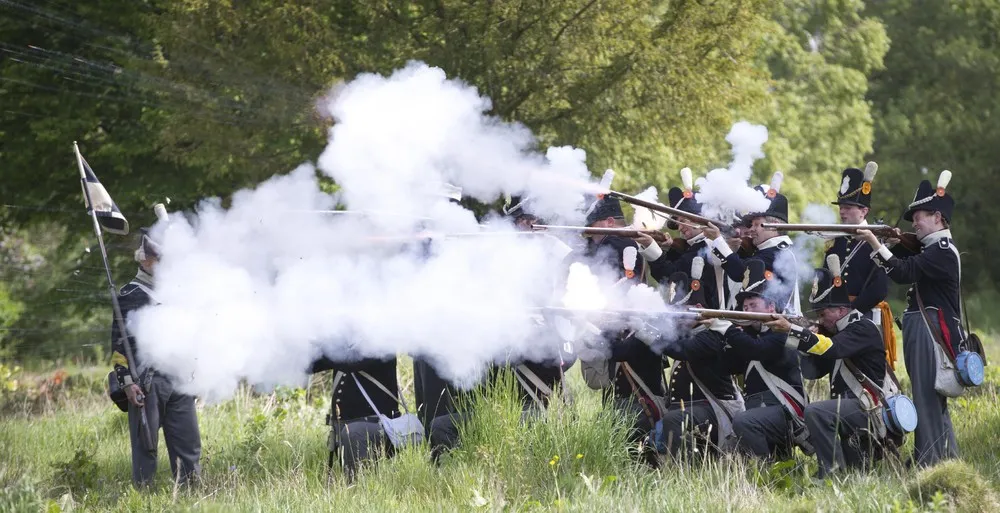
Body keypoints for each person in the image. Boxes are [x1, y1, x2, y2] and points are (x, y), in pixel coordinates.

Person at [856, 170, 964, 467]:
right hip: (927, 328)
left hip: (933, 331)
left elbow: (902, 272)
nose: (914, 222)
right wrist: (894, 240)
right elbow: (907, 258)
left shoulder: (941, 251)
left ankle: (928, 461)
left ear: (938, 218)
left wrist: (874, 243)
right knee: (930, 398)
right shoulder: (931, 248)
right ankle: (948, 459)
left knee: (927, 398)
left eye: (919, 216)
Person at [767, 263, 887, 478]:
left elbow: (834, 349)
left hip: (868, 407)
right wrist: (803, 341)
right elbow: (811, 372)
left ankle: (830, 473)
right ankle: (838, 471)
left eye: (824, 314)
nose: (821, 320)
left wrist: (796, 332)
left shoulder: (861, 327)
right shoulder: (836, 333)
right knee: (856, 472)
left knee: (816, 412)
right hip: (851, 408)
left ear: (841, 310)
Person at [111, 227, 201, 487]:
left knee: (189, 445)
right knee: (146, 449)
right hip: (147, 381)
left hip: (181, 379)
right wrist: (128, 382)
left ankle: (191, 498)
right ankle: (143, 499)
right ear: (146, 260)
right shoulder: (130, 295)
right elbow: (119, 347)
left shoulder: (177, 292)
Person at [576, 195, 661, 441]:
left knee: (639, 401)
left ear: (610, 222)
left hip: (629, 329)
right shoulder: (615, 244)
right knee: (617, 397)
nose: (589, 236)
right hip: (618, 328)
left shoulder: (619, 245)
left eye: (592, 229)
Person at [643, 270, 744, 459]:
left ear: (698, 307)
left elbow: (682, 350)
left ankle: (683, 471)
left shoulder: (712, 335)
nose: (677, 319)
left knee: (674, 419)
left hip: (714, 406)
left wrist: (646, 332)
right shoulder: (689, 333)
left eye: (682, 313)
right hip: (691, 407)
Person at [720, 259, 808, 460]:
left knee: (743, 422)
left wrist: (727, 330)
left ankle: (763, 468)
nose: (748, 310)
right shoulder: (749, 334)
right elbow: (730, 365)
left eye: (753, 305)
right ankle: (777, 473)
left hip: (785, 408)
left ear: (770, 307)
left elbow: (758, 351)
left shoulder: (782, 332)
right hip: (759, 408)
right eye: (745, 306)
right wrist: (722, 337)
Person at [704, 173, 801, 314]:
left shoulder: (777, 252)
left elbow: (740, 273)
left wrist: (718, 240)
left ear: (773, 225)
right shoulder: (767, 250)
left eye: (756, 224)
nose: (751, 230)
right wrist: (733, 249)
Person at [827, 165, 894, 367]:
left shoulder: (876, 241)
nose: (842, 211)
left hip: (865, 315)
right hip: (837, 316)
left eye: (848, 207)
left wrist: (850, 312)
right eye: (841, 207)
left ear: (864, 211)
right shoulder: (836, 240)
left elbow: (879, 289)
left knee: (866, 370)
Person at [634, 170, 722, 310]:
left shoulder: (703, 246)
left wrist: (651, 247)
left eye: (683, 221)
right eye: (678, 223)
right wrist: (668, 247)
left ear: (698, 218)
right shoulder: (693, 246)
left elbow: (669, 275)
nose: (680, 228)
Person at [312, 354, 406, 481]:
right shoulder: (345, 346)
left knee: (355, 433)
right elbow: (312, 364)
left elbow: (351, 362)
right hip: (344, 430)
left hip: (377, 428)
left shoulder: (380, 343)